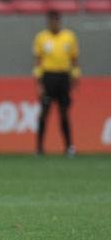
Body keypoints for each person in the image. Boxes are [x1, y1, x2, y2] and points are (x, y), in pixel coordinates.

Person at [33, 10, 80, 156]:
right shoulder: (41, 38)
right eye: (51, 20)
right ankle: (39, 148)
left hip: (63, 77)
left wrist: (75, 76)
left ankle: (69, 147)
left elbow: (74, 59)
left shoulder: (69, 37)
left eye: (56, 20)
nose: (54, 23)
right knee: (44, 114)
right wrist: (39, 83)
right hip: (48, 77)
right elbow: (38, 61)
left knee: (64, 113)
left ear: (60, 21)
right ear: (48, 22)